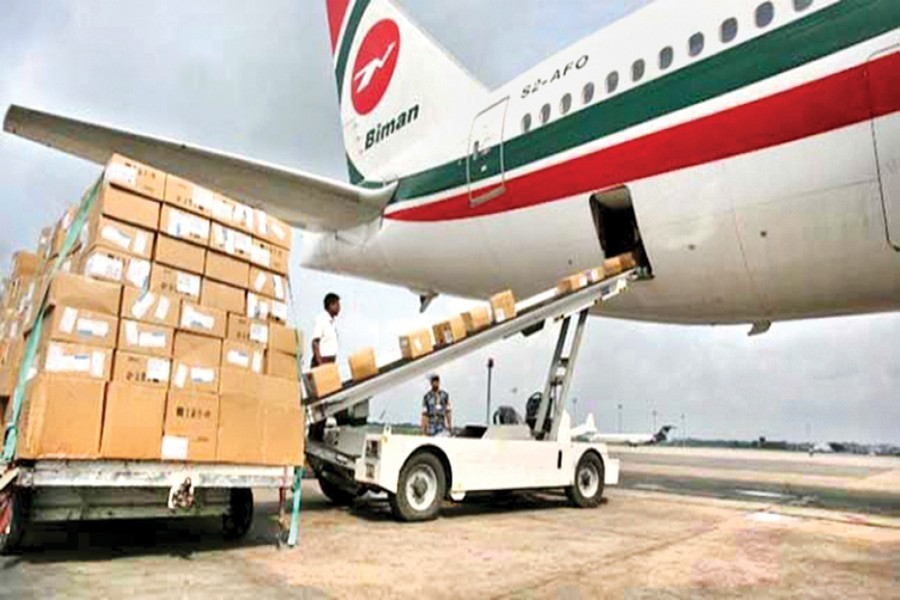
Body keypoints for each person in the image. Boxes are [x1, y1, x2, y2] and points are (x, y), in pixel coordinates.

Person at [311, 292, 340, 367]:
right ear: (331, 305)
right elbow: (315, 342)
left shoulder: (332, 323)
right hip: (322, 361)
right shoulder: (322, 319)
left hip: (330, 361)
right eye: (337, 305)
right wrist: (320, 363)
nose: (339, 308)